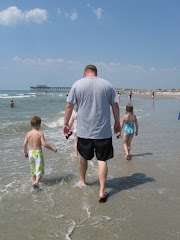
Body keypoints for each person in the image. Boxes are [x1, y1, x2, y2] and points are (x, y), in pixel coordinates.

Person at [63, 64, 121, 203]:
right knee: (102, 160)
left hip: (84, 131)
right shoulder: (107, 85)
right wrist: (117, 122)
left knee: (83, 157)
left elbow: (69, 106)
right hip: (103, 132)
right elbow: (115, 105)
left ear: (85, 73)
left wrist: (66, 124)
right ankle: (101, 191)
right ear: (96, 73)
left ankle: (83, 182)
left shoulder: (77, 84)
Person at [23, 116, 57, 189]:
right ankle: (36, 183)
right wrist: (52, 149)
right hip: (38, 153)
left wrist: (25, 152)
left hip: (31, 153)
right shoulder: (40, 133)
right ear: (39, 124)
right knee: (40, 169)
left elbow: (24, 144)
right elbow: (44, 144)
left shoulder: (28, 134)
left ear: (31, 124)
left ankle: (33, 181)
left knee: (33, 169)